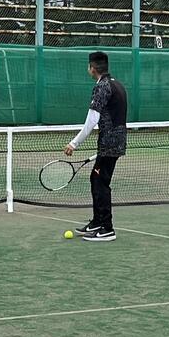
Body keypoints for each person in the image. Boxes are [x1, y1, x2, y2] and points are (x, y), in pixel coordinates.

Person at [63, 50, 127, 242]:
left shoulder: (102, 88)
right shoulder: (117, 85)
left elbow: (91, 121)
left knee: (101, 183)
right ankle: (98, 222)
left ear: (92, 68)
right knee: (96, 179)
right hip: (115, 141)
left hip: (109, 144)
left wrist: (74, 144)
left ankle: (107, 228)